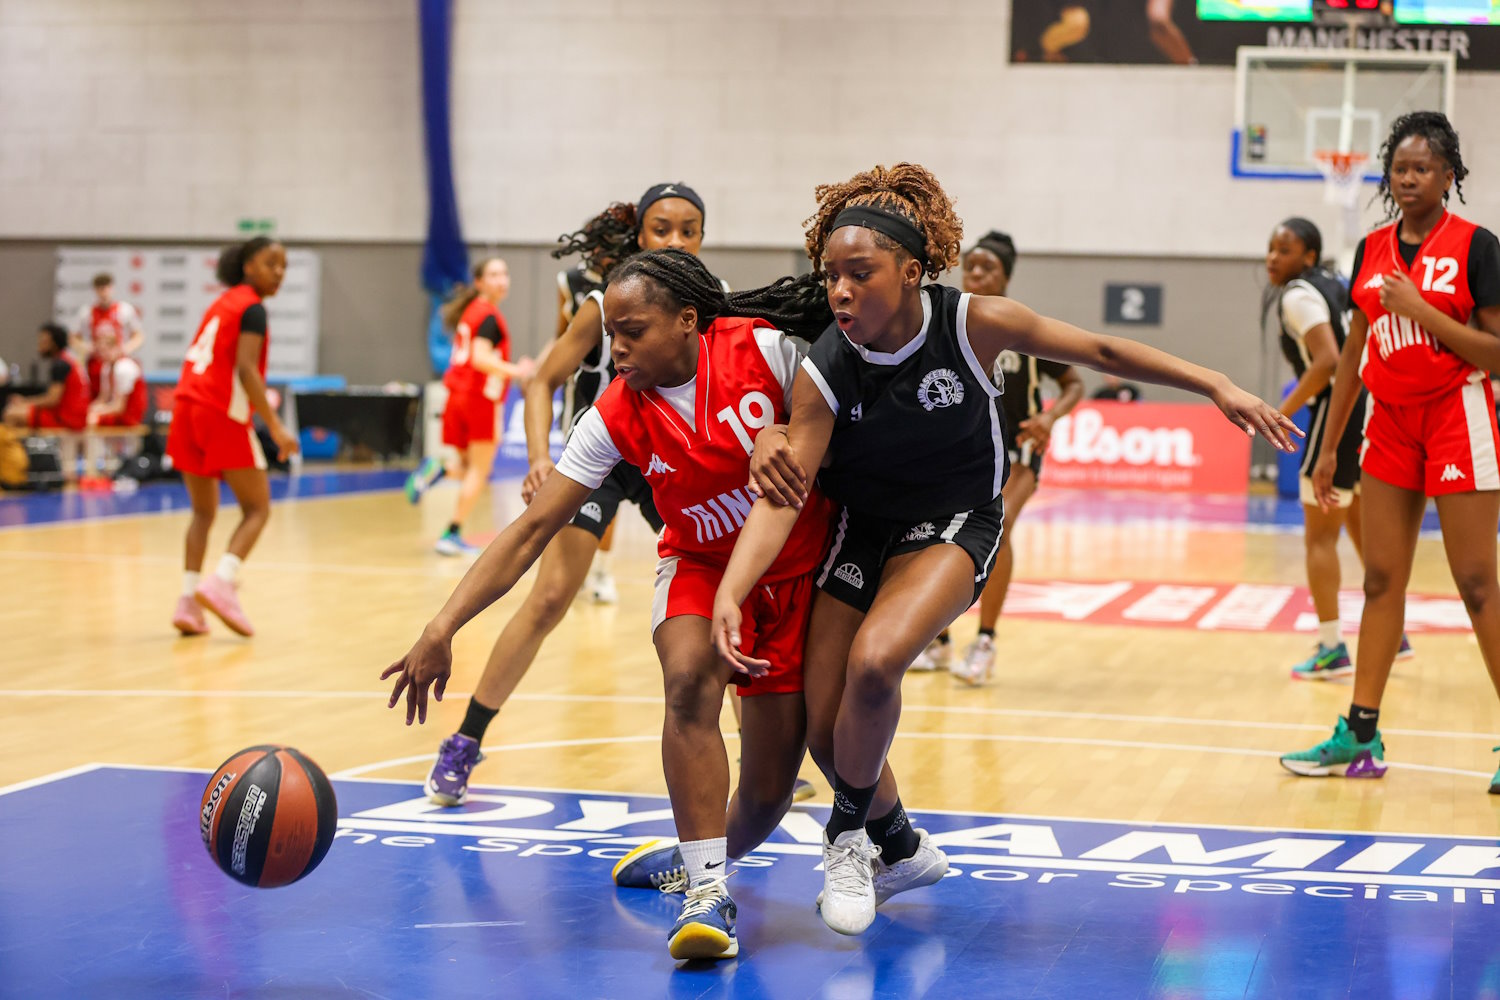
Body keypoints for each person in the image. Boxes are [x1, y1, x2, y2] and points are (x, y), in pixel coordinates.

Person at [711, 163, 1298, 936]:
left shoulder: (973, 324)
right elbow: (785, 494)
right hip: (862, 529)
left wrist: (1214, 382)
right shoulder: (828, 364)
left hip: (955, 521)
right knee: (825, 729)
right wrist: (732, 588)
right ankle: (902, 847)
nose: (841, 292)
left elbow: (1101, 349)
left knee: (876, 661)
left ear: (912, 272)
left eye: (860, 273)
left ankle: (846, 841)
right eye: (831, 277)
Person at [382, 250, 838, 961]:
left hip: (798, 570)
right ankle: (707, 891)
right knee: (687, 680)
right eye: (611, 334)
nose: (616, 349)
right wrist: (443, 625)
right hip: (699, 565)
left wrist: (778, 433)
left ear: (687, 321)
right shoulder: (615, 412)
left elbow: (836, 430)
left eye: (632, 331)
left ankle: (797, 844)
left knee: (768, 792)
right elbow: (532, 528)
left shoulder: (765, 352)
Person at [415, 184, 731, 805]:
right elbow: (541, 381)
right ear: (639, 235)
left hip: (676, 459)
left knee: (727, 597)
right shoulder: (604, 300)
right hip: (603, 459)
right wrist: (540, 457)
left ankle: (765, 760)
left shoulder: (714, 301)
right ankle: (466, 739)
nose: (675, 240)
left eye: (688, 230)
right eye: (661, 228)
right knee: (550, 597)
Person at [1280, 112, 1500, 789]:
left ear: (1448, 176)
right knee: (1379, 580)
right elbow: (1353, 351)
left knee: (1476, 583)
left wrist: (1423, 311)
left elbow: (1497, 354)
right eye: (1400, 168)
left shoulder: (1477, 246)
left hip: (1458, 414)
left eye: (1422, 168)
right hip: (1390, 423)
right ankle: (1360, 735)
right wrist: (1328, 447)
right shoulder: (1371, 250)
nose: (1408, 178)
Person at [912, 230, 1087, 679]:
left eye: (986, 268)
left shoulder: (1021, 329)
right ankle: (939, 640)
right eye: (970, 265)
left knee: (999, 527)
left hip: (1018, 449)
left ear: (1005, 278)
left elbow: (1074, 383)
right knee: (936, 534)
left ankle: (985, 642)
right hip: (965, 450)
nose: (975, 273)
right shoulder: (947, 326)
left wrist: (1050, 417)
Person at [1263, 217, 1412, 680]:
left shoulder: (1297, 295)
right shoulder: (1334, 283)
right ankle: (1394, 631)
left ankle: (1332, 648)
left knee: (1320, 537)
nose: (1272, 258)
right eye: (1270, 249)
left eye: (1284, 250)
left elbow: (1328, 361)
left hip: (1341, 406)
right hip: (1372, 402)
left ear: (1308, 256)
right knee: (1356, 517)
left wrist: (1279, 412)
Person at [165, 236, 300, 638]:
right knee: (258, 508)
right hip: (217, 410)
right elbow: (245, 369)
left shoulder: (223, 302)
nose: (279, 272)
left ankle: (189, 601)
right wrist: (275, 426)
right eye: (270, 263)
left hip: (185, 407)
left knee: (203, 512)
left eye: (284, 265)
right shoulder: (252, 308)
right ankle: (222, 582)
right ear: (248, 266)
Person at [406, 257, 532, 556]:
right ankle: (452, 532)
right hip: (478, 398)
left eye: (504, 273)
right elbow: (480, 359)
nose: (501, 280)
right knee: (479, 470)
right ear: (479, 282)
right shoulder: (488, 317)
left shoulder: (473, 311)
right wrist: (518, 371)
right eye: (493, 274)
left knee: (465, 467)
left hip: (457, 395)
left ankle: (439, 470)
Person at [2, 323, 89, 432]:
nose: (39, 346)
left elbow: (52, 400)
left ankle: (13, 444)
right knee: (16, 410)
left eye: (43, 341)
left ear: (54, 343)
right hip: (71, 416)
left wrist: (25, 401)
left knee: (11, 414)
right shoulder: (67, 360)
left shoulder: (60, 364)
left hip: (67, 419)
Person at [71, 272, 145, 396]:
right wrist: (86, 347)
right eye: (100, 289)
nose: (103, 293)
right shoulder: (87, 313)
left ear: (112, 288)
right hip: (96, 366)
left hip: (117, 361)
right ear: (95, 290)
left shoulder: (124, 310)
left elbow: (139, 336)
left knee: (120, 396)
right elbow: (73, 338)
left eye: (106, 288)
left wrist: (125, 349)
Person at [86, 328, 148, 428]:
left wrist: (97, 411)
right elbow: (103, 398)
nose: (103, 354)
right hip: (116, 412)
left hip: (129, 416)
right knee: (83, 417)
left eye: (107, 350)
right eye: (100, 351)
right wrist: (88, 409)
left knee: (90, 420)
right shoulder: (106, 368)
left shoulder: (124, 367)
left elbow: (119, 407)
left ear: (117, 348)